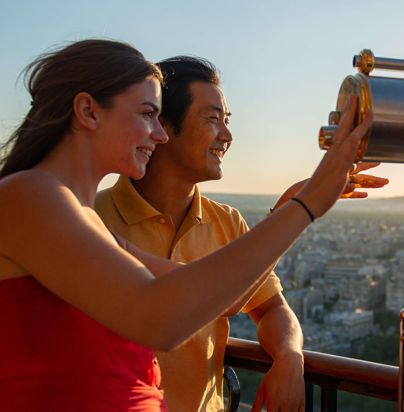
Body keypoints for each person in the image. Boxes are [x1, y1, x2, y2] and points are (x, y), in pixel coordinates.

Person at [0, 39, 373, 411]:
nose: (158, 134)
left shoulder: (80, 217)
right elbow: (160, 319)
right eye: (147, 113)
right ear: (88, 111)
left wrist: (294, 206)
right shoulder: (29, 196)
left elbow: (216, 298)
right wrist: (307, 204)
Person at [94, 56, 387, 412]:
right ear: (163, 126)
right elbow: (208, 297)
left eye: (227, 121)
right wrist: (299, 206)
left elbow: (270, 308)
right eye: (213, 119)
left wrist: (290, 355)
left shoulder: (227, 222)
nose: (228, 136)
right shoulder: (91, 219)